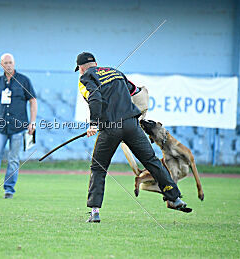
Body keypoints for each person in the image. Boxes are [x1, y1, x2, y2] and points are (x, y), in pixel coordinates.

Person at [74, 52, 188, 223]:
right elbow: (134, 91)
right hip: (131, 125)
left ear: (81, 69)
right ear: (96, 63)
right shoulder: (115, 72)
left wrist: (93, 124)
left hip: (111, 127)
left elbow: (95, 98)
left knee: (98, 168)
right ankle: (174, 198)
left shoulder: (85, 79)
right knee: (152, 161)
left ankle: (95, 212)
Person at [0, 53, 37, 199]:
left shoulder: (24, 81)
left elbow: (33, 101)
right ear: (1, 65)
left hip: (18, 127)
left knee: (13, 159)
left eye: (10, 62)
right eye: (5, 63)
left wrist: (33, 121)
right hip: (0, 127)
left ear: (14, 63)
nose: (8, 65)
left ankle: (9, 190)